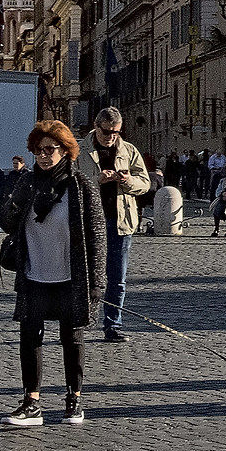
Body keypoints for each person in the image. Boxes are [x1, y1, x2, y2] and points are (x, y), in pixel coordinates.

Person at [1, 121, 104, 426]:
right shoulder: (27, 183)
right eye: (38, 150)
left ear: (65, 150)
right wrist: (15, 203)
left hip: (71, 277)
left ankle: (74, 399)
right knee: (30, 337)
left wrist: (97, 282)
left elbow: (98, 237)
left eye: (50, 149)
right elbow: (6, 222)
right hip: (34, 274)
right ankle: (31, 403)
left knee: (71, 338)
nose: (44, 156)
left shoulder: (81, 186)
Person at [87, 108, 153, 343]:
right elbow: (70, 183)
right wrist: (98, 180)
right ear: (96, 126)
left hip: (120, 221)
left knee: (117, 277)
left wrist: (127, 181)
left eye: (116, 132)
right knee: (85, 275)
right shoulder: (80, 150)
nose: (111, 137)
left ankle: (112, 325)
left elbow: (145, 184)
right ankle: (80, 322)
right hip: (89, 222)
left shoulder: (129, 150)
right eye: (107, 132)